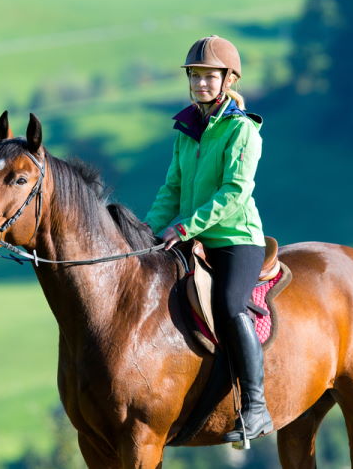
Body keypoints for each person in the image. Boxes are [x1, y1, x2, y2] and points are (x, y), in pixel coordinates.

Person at [143, 35, 272, 442]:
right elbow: (171, 189)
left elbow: (234, 193)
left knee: (231, 304)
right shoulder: (186, 130)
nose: (200, 84)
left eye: (208, 76)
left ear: (227, 79)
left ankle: (256, 407)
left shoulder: (243, 131)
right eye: (195, 76)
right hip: (191, 235)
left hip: (236, 238)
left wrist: (183, 227)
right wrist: (145, 235)